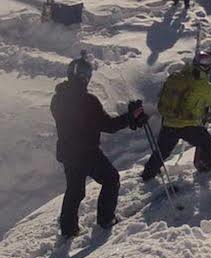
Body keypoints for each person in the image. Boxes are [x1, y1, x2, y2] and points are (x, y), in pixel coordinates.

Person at [49, 56, 146, 238]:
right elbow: (108, 125)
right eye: (84, 74)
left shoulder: (58, 99)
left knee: (75, 191)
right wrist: (130, 117)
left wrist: (129, 118)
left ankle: (68, 229)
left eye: (87, 74)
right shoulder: (88, 101)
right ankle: (106, 219)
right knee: (111, 179)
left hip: (69, 153)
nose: (85, 78)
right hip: (87, 152)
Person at [142, 51, 211, 179]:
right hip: (187, 123)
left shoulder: (179, 75)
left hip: (169, 120)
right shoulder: (202, 84)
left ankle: (148, 173)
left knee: (162, 151)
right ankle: (206, 172)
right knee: (207, 143)